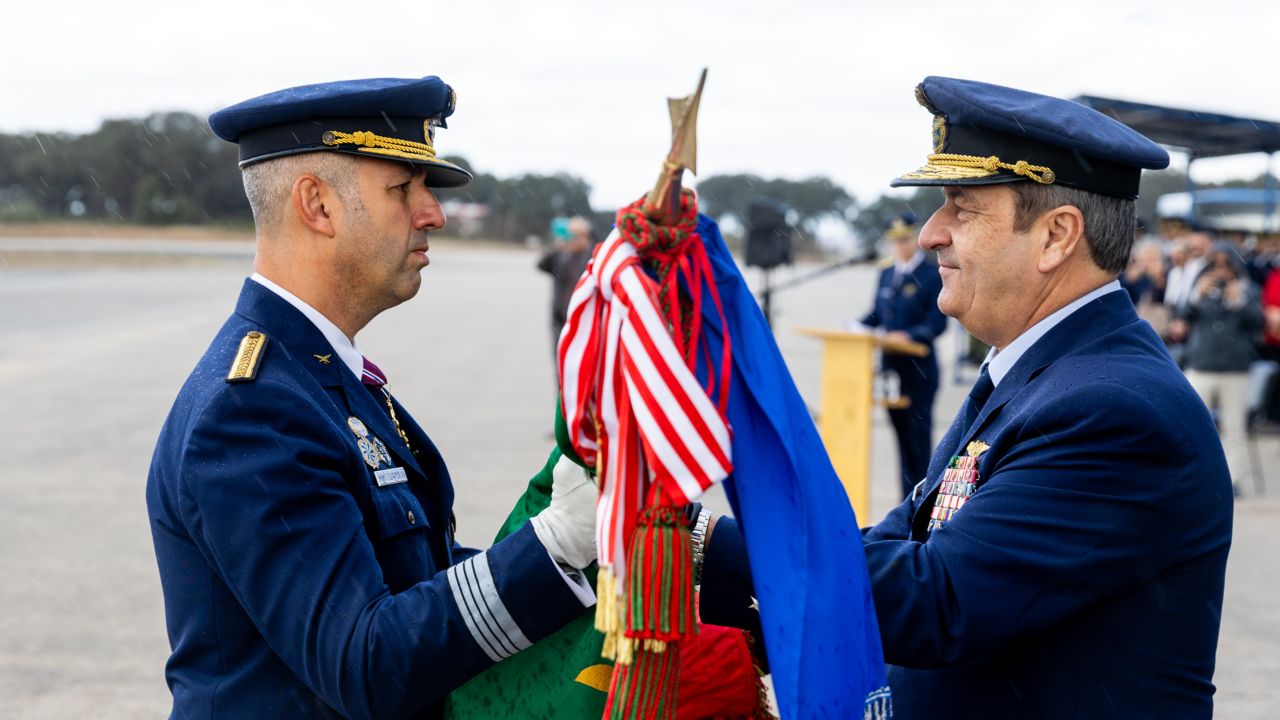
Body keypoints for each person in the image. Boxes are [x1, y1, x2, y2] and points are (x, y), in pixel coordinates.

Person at [144, 77, 606, 720]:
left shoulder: (319, 376)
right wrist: (553, 547)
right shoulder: (253, 413)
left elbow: (414, 576)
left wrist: (583, 553)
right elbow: (364, 663)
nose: (433, 213)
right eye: (403, 188)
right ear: (319, 206)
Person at [861, 77, 1233, 718]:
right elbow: (906, 540)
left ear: (1058, 236)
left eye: (961, 206)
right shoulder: (1043, 371)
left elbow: (938, 602)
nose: (930, 235)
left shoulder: (1114, 408)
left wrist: (704, 551)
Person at [859, 213, 947, 499]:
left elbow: (937, 322)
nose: (900, 245)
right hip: (890, 369)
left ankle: (921, 504)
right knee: (900, 439)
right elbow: (876, 315)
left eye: (905, 239)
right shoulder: (886, 273)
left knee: (918, 441)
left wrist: (910, 335)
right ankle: (904, 504)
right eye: (895, 241)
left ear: (915, 237)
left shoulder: (931, 274)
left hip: (918, 369)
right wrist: (857, 327)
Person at [1173, 244, 1262, 491]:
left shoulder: (1247, 289)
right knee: (1193, 424)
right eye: (1216, 265)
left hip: (1235, 368)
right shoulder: (1199, 286)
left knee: (1234, 427)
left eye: (1226, 265)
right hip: (1201, 364)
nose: (1221, 271)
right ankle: (1194, 475)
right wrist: (1196, 295)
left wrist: (1240, 301)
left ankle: (1232, 480)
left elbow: (1258, 323)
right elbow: (1180, 318)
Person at [536, 216, 594, 359]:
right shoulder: (560, 255)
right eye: (570, 236)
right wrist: (557, 246)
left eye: (575, 236)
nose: (572, 240)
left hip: (583, 318)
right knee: (560, 358)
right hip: (560, 317)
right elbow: (541, 265)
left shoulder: (592, 257)